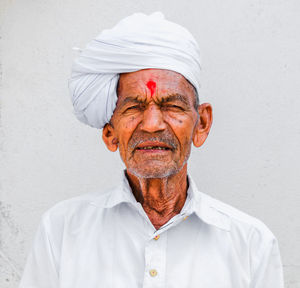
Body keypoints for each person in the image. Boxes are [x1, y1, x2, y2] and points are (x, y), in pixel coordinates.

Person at [19, 12, 284, 288]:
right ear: (110, 134)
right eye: (134, 107)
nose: (153, 124)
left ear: (201, 124)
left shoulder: (252, 244)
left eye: (172, 106)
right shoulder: (61, 230)